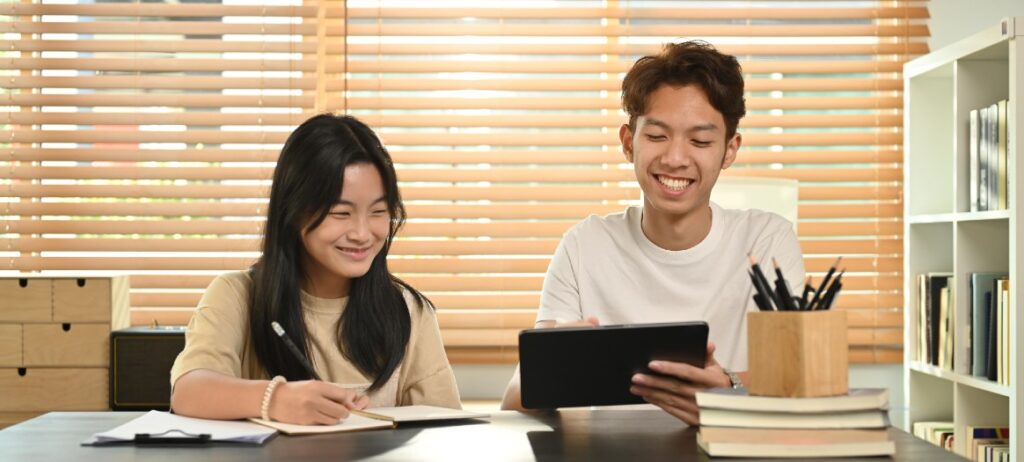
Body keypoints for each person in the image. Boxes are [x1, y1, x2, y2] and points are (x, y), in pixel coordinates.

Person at [501, 41, 806, 424]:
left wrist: (725, 392)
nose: (675, 158)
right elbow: (514, 401)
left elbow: (796, 378)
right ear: (629, 143)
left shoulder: (766, 240)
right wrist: (556, 363)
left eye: (700, 141)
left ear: (730, 150)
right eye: (657, 136)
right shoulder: (584, 245)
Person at [171, 114, 461, 425]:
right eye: (341, 213)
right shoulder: (236, 295)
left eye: (378, 211)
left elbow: (445, 428)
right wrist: (278, 399)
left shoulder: (409, 312)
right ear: (294, 213)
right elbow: (189, 391)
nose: (363, 233)